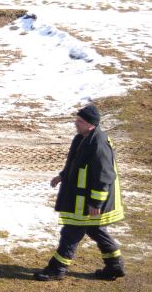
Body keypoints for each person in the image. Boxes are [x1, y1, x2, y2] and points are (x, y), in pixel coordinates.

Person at [34, 105, 126, 281]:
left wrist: (95, 203)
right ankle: (115, 266)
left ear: (91, 124)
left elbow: (104, 176)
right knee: (96, 230)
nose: (75, 123)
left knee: (71, 232)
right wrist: (61, 176)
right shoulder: (81, 138)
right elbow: (75, 164)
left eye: (80, 121)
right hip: (82, 199)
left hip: (88, 202)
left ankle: (57, 269)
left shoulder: (99, 144)